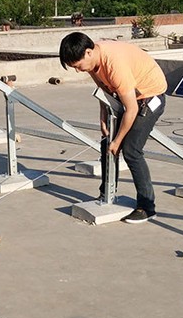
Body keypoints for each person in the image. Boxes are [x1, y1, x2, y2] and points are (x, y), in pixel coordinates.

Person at [59, 31, 167, 224]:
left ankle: (147, 207)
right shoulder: (92, 62)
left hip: (151, 97)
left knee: (131, 150)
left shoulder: (115, 65)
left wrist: (118, 141)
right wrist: (103, 116)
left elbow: (132, 109)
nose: (78, 70)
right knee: (106, 144)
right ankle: (107, 194)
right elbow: (104, 90)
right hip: (128, 96)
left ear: (89, 52)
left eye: (78, 66)